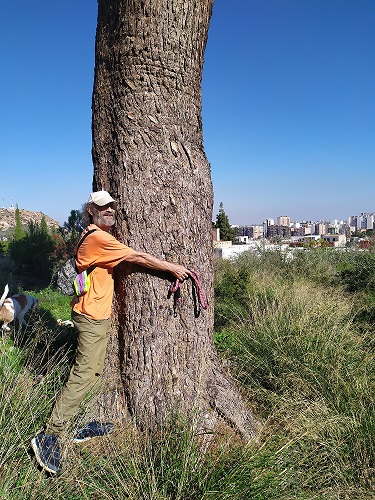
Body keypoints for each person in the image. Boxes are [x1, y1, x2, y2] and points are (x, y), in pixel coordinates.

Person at [31, 190, 191, 474]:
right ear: (90, 210)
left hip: (94, 315)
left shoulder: (89, 234)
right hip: (91, 317)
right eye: (102, 207)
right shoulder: (98, 238)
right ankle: (50, 435)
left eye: (112, 207)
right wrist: (171, 268)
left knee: (93, 372)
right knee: (84, 372)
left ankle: (78, 422)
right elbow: (137, 256)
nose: (110, 211)